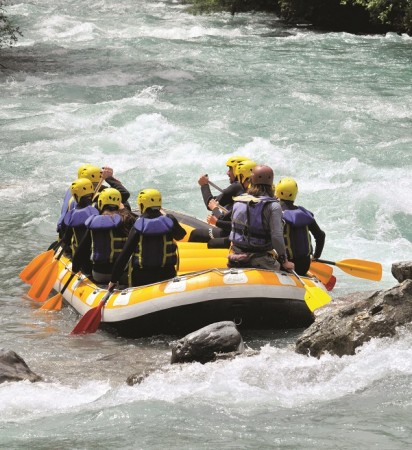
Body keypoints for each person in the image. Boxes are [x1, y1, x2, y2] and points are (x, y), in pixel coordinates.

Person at [108, 189, 187, 288]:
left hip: (143, 277)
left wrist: (113, 279)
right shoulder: (169, 220)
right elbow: (181, 235)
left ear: (142, 205)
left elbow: (125, 254)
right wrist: (166, 215)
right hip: (167, 274)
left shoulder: (139, 224)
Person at [228, 165, 294, 272]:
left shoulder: (238, 201)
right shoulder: (273, 206)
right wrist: (284, 260)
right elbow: (276, 236)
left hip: (236, 256)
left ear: (251, 181)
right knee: (285, 269)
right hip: (260, 259)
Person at [71, 188, 136, 284]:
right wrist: (124, 210)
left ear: (100, 203)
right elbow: (139, 222)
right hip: (121, 274)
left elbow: (82, 250)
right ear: (119, 204)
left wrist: (74, 269)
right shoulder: (127, 221)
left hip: (99, 275)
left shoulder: (94, 223)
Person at [189, 156, 250, 243]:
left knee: (195, 234)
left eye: (230, 169)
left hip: (231, 232)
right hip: (240, 232)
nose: (228, 173)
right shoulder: (253, 189)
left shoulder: (237, 187)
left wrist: (204, 185)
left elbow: (211, 204)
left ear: (238, 171)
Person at [275, 177, 325, 276]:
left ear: (277, 191)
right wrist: (315, 256)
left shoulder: (274, 212)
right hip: (304, 266)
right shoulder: (305, 214)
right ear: (295, 194)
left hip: (284, 265)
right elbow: (321, 235)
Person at [205, 159, 258, 248]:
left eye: (230, 169)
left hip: (243, 240)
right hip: (256, 240)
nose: (228, 173)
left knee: (210, 243)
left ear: (241, 175)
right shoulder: (263, 196)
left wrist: (216, 217)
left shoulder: (243, 197)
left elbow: (231, 223)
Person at [60, 178, 99, 266]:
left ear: (75, 196)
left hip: (82, 260)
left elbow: (66, 239)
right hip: (98, 257)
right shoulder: (98, 207)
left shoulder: (72, 215)